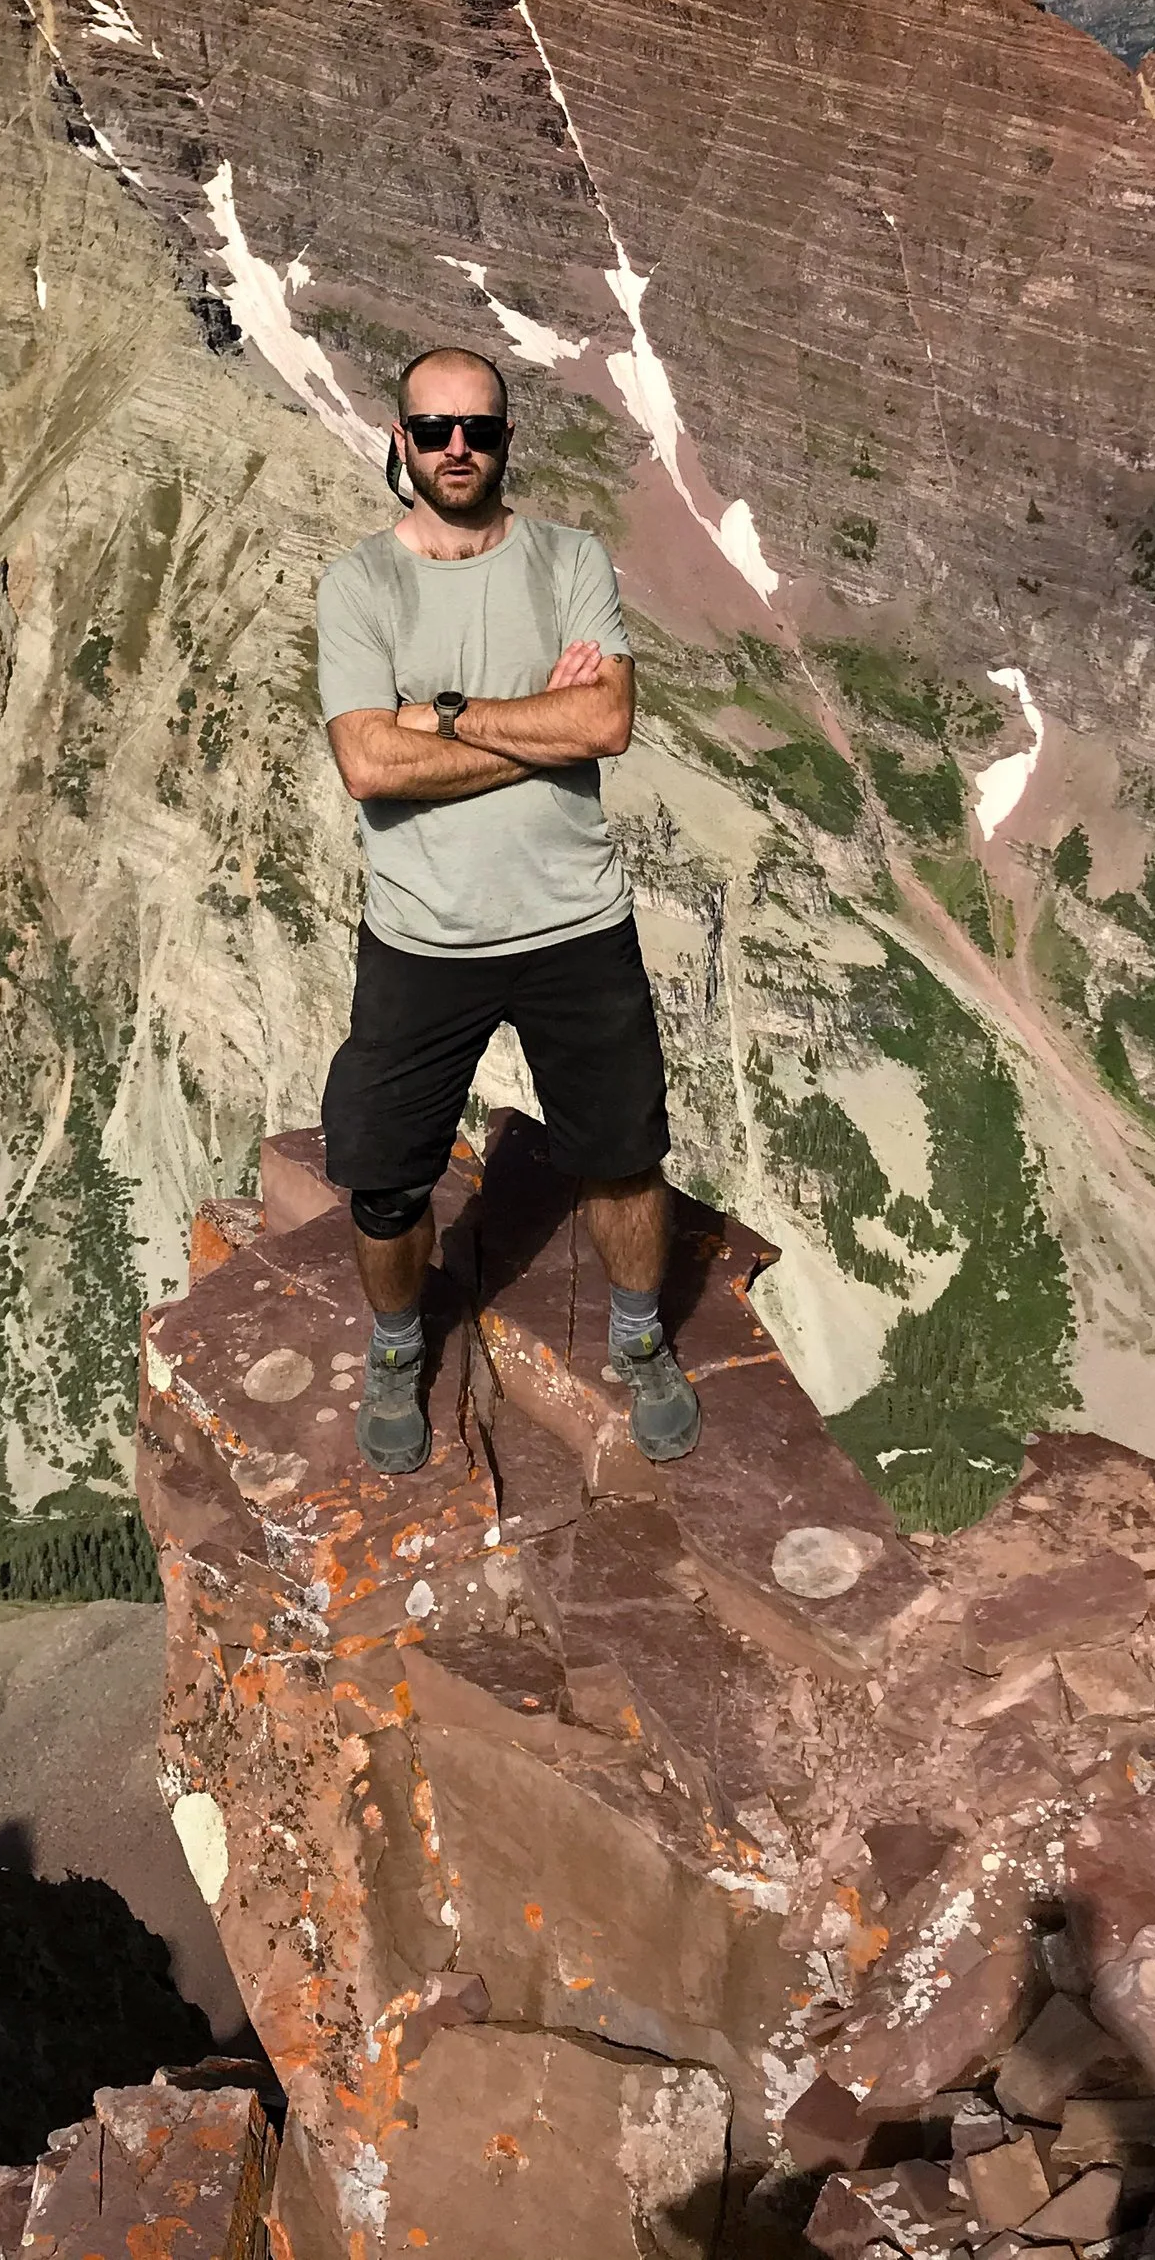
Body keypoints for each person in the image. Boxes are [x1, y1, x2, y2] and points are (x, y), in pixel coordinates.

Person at [314, 345, 700, 1477]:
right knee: (384, 1180)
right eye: (432, 430)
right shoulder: (359, 585)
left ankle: (638, 1339)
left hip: (576, 923)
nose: (455, 450)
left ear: (504, 442)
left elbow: (605, 727)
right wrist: (536, 725)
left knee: (624, 1156)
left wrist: (434, 714)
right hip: (420, 938)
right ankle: (398, 1349)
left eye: (477, 430)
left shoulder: (570, 559)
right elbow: (367, 768)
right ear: (399, 440)